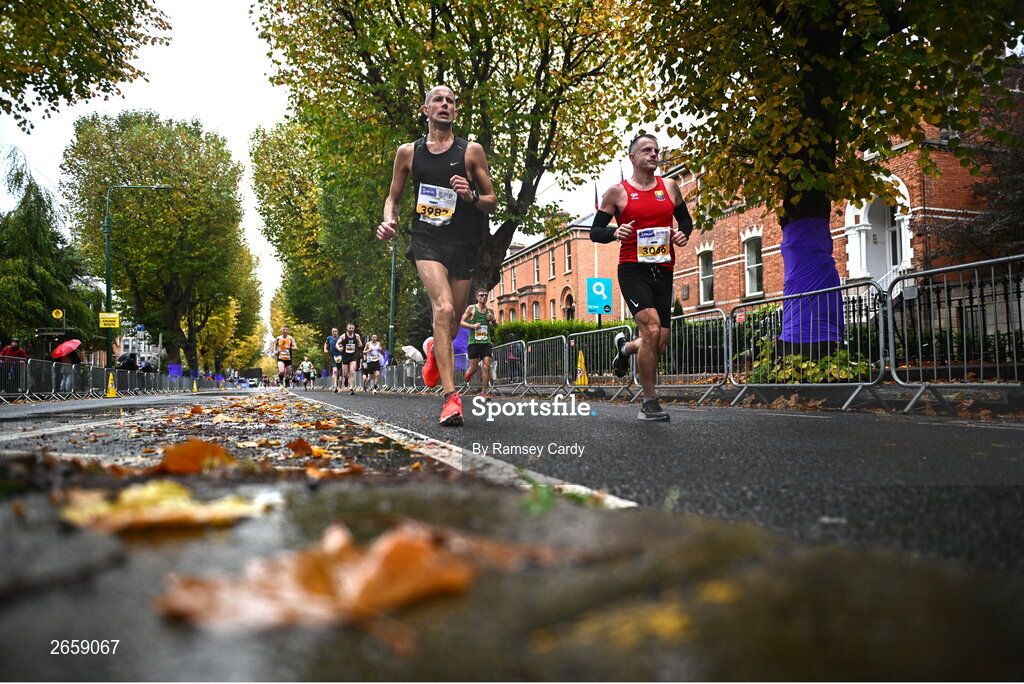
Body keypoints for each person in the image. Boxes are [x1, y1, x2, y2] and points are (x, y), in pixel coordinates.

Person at [376, 84, 497, 426]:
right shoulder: (408, 153)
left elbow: (492, 200)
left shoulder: (471, 151)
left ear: (455, 112)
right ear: (426, 110)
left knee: (453, 318)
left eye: (450, 102)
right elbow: (393, 199)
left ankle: (434, 352)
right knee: (443, 309)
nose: (445, 105)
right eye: (438, 101)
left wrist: (471, 195)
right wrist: (389, 221)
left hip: (464, 244)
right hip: (427, 239)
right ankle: (451, 398)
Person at [590, 133, 693, 421]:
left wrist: (683, 233)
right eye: (647, 150)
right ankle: (649, 402)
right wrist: (614, 233)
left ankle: (625, 348)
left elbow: (685, 220)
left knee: (658, 341)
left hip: (663, 269)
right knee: (650, 329)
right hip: (633, 269)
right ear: (633, 158)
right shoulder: (617, 193)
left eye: (656, 150)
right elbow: (595, 232)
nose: (654, 154)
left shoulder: (670, 187)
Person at [461, 288, 497, 400]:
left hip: (486, 342)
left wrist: (493, 320)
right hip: (474, 343)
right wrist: (472, 326)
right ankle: (469, 373)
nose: (484, 297)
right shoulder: (471, 308)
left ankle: (484, 392)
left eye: (486, 295)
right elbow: (461, 322)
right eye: (482, 295)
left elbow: (496, 327)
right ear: (477, 297)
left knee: (487, 365)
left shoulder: (490, 310)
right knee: (474, 368)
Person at [335, 323, 362, 395]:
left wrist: (359, 343)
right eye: (350, 328)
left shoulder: (356, 336)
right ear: (347, 328)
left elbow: (360, 344)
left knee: (352, 371)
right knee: (345, 374)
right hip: (345, 356)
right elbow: (337, 344)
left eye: (352, 328)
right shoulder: (343, 336)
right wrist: (339, 348)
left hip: (353, 356)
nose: (351, 329)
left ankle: (351, 389)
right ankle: (346, 379)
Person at [323, 327, 341, 392]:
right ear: (331, 332)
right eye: (333, 331)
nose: (334, 333)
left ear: (337, 332)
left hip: (340, 356)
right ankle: (335, 386)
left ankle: (339, 386)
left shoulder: (340, 338)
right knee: (335, 371)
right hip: (332, 355)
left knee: (339, 372)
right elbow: (326, 343)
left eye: (335, 331)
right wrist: (325, 349)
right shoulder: (329, 338)